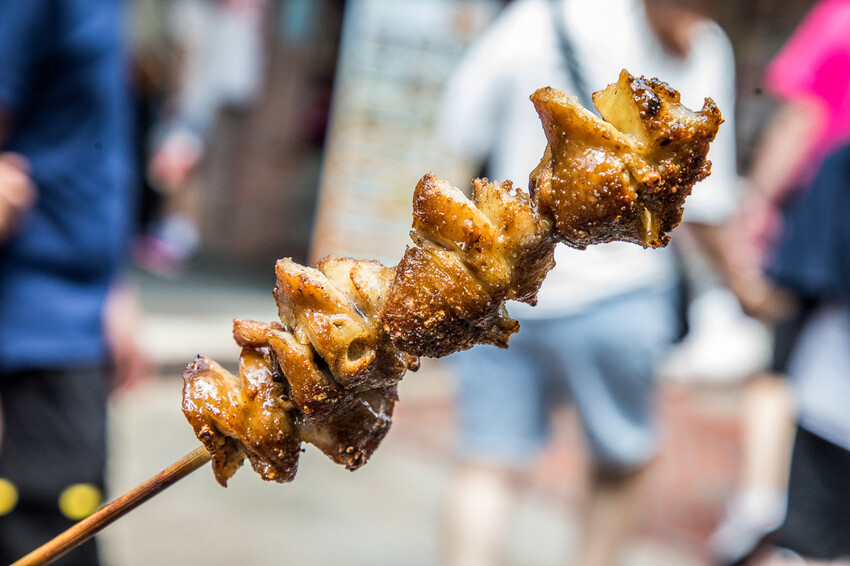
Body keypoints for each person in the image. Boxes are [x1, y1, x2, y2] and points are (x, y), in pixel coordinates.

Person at [435, 0, 739, 564]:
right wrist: (743, 288)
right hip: (621, 293)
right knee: (618, 469)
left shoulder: (540, 13)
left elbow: (460, 121)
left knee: (487, 465)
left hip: (507, 287)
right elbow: (708, 203)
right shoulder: (700, 37)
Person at [0, 1, 137, 564]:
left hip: (77, 310)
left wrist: (114, 282)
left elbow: (89, 136)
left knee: (75, 528)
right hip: (25, 321)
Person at [715, 1, 850, 563]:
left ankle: (763, 500)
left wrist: (758, 204)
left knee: (785, 365)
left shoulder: (841, 18)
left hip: (826, 228)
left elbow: (802, 117)